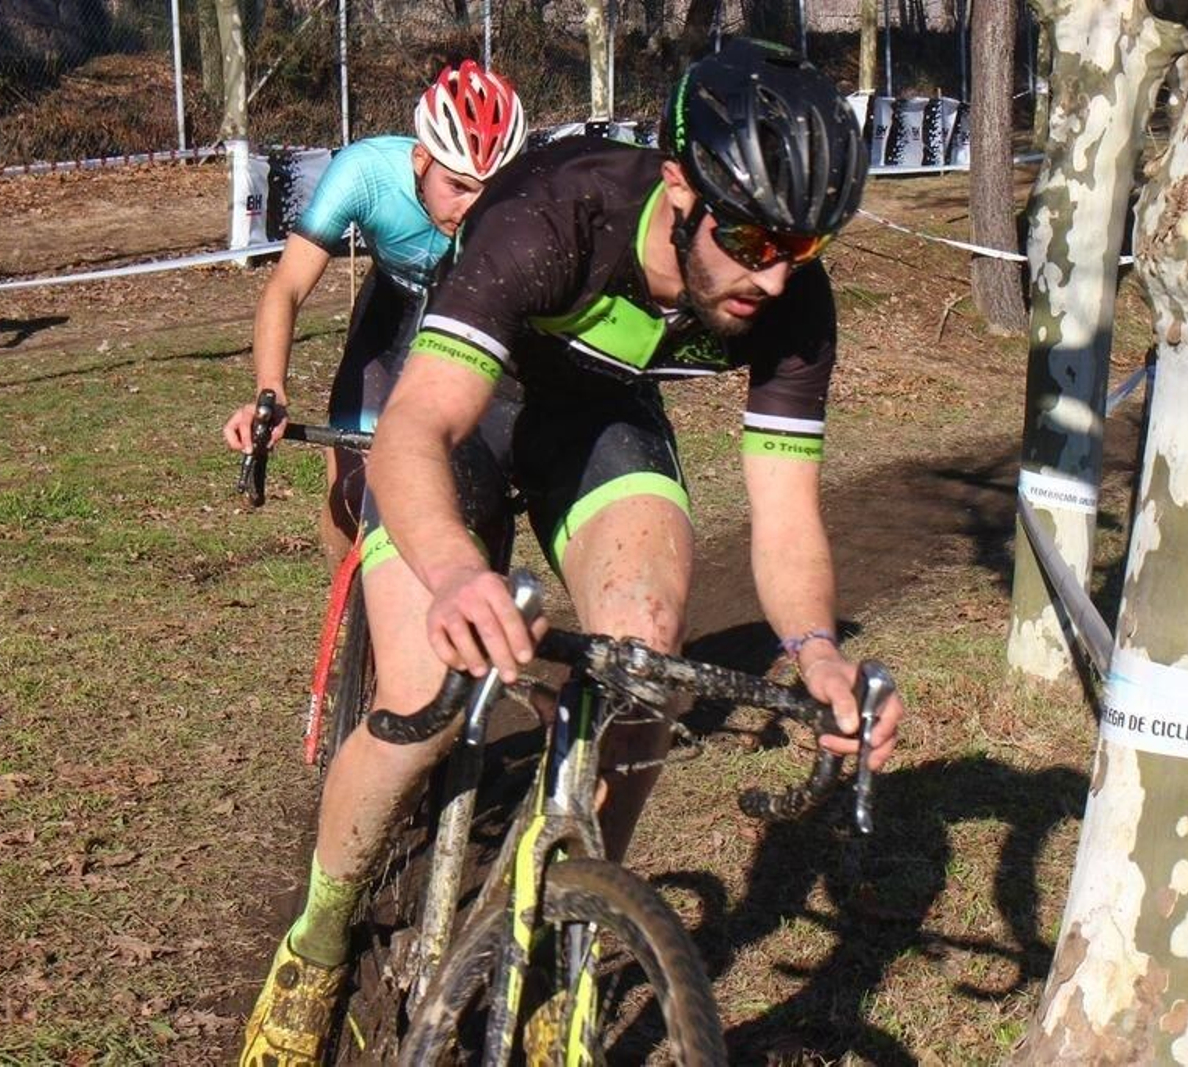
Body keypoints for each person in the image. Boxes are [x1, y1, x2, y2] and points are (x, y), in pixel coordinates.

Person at [240, 38, 905, 1065]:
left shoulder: (788, 299)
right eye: (751, 237)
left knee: (645, 659)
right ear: (680, 187)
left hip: (598, 422)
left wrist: (815, 648)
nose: (773, 278)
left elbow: (783, 513)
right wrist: (459, 574)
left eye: (803, 249)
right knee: (420, 695)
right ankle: (316, 941)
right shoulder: (555, 213)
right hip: (471, 408)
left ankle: (573, 935)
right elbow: (415, 429)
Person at [222, 60, 527, 566]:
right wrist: (268, 390)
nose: (472, 209)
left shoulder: (529, 195)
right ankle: (355, 628)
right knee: (350, 497)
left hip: (477, 323)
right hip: (392, 317)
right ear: (421, 159)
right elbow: (287, 286)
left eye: (488, 189)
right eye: (457, 186)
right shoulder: (364, 173)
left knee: (479, 495)